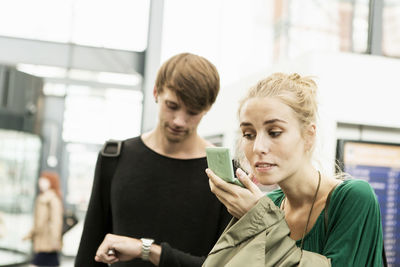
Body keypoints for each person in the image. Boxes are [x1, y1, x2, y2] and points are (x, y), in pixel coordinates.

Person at [203, 72, 384, 266]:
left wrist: (259, 220)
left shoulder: (352, 198)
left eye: (274, 132)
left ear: (308, 135)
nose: (258, 147)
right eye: (249, 134)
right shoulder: (268, 203)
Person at [76, 53, 232, 267]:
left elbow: (224, 264)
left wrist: (147, 250)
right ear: (156, 92)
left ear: (207, 108)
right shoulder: (115, 157)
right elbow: (90, 250)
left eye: (192, 112)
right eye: (172, 106)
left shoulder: (222, 172)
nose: (179, 121)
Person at [23, 171, 63, 267]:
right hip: (43, 240)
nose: (40, 182)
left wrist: (55, 240)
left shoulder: (52, 199)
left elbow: (56, 221)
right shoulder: (43, 198)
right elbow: (38, 222)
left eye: (44, 180)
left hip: (48, 242)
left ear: (51, 183)